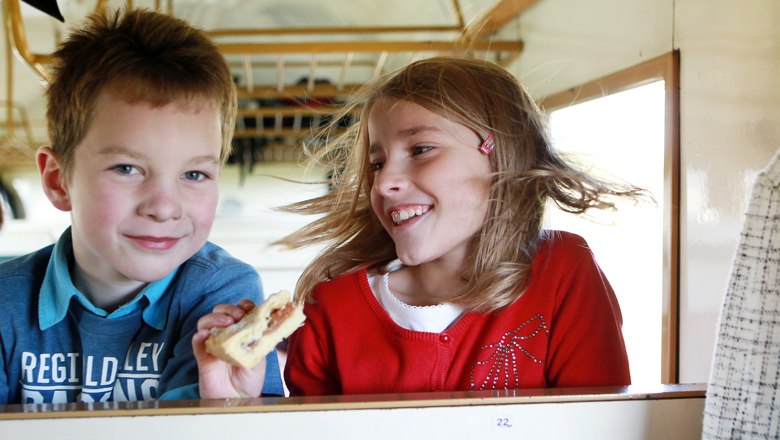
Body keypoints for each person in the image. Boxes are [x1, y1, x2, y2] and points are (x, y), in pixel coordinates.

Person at [200, 56, 645, 397]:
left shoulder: (563, 272)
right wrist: (237, 403)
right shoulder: (329, 309)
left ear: (503, 154)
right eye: (377, 163)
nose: (385, 181)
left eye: (421, 149)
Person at [0, 9, 283, 404]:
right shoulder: (5, 302)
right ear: (57, 181)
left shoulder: (222, 294)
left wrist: (223, 408)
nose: (164, 208)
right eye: (127, 168)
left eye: (195, 175)